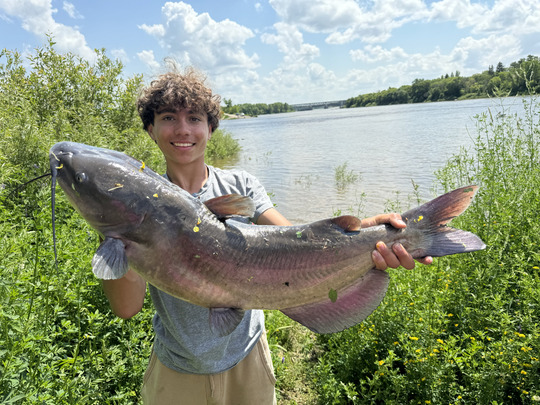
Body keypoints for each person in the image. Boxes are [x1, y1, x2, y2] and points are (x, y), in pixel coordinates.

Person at [101, 65, 432, 404]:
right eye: (169, 117)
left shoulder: (240, 186)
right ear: (150, 129)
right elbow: (127, 308)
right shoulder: (137, 205)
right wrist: (113, 235)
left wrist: (369, 230)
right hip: (177, 368)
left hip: (249, 359)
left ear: (211, 128)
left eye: (195, 118)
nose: (183, 129)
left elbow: (296, 240)